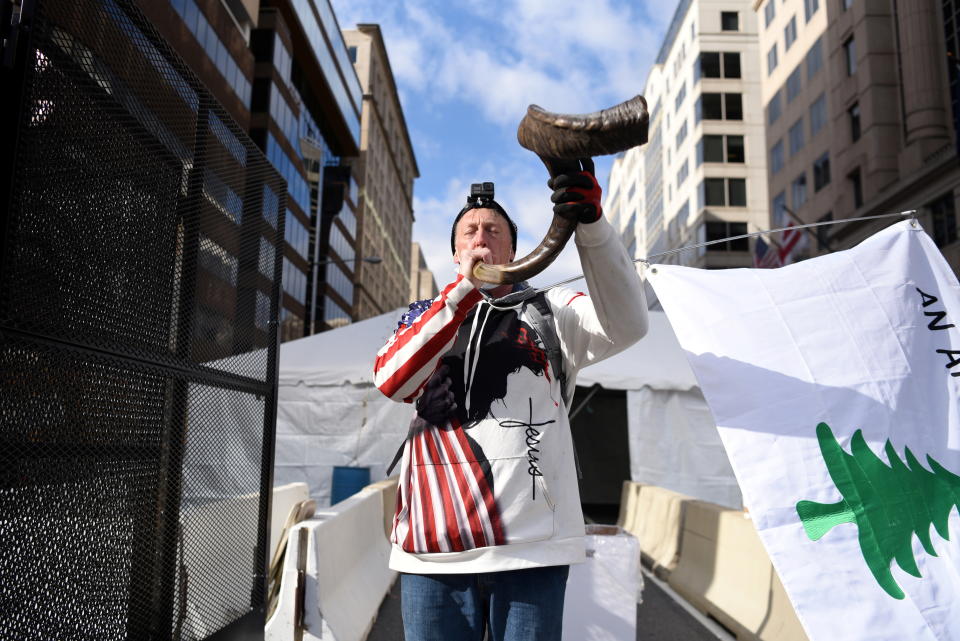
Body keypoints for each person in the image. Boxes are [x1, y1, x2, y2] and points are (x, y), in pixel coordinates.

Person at [372, 158, 648, 641]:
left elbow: (629, 325)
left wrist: (592, 225)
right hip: (432, 545)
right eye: (470, 231)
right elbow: (394, 381)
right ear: (455, 253)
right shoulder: (421, 318)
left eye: (494, 230)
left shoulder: (551, 310)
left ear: (515, 249)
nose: (482, 238)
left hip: (532, 547)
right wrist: (463, 294)